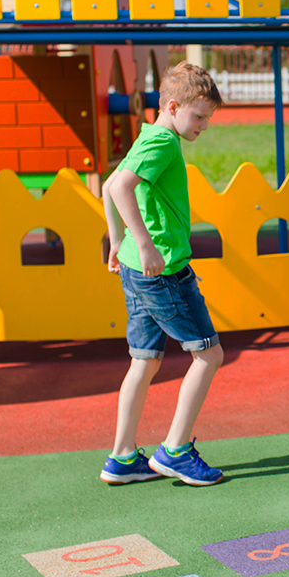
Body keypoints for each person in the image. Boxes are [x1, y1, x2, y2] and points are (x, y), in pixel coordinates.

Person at [99, 62, 226, 487]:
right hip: (162, 271)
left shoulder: (147, 136)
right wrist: (146, 242)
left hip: (135, 269)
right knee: (208, 354)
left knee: (144, 360)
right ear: (173, 107)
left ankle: (121, 456)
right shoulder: (164, 143)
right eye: (200, 117)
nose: (204, 126)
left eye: (208, 118)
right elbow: (119, 189)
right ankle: (175, 450)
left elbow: (109, 184)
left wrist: (118, 242)